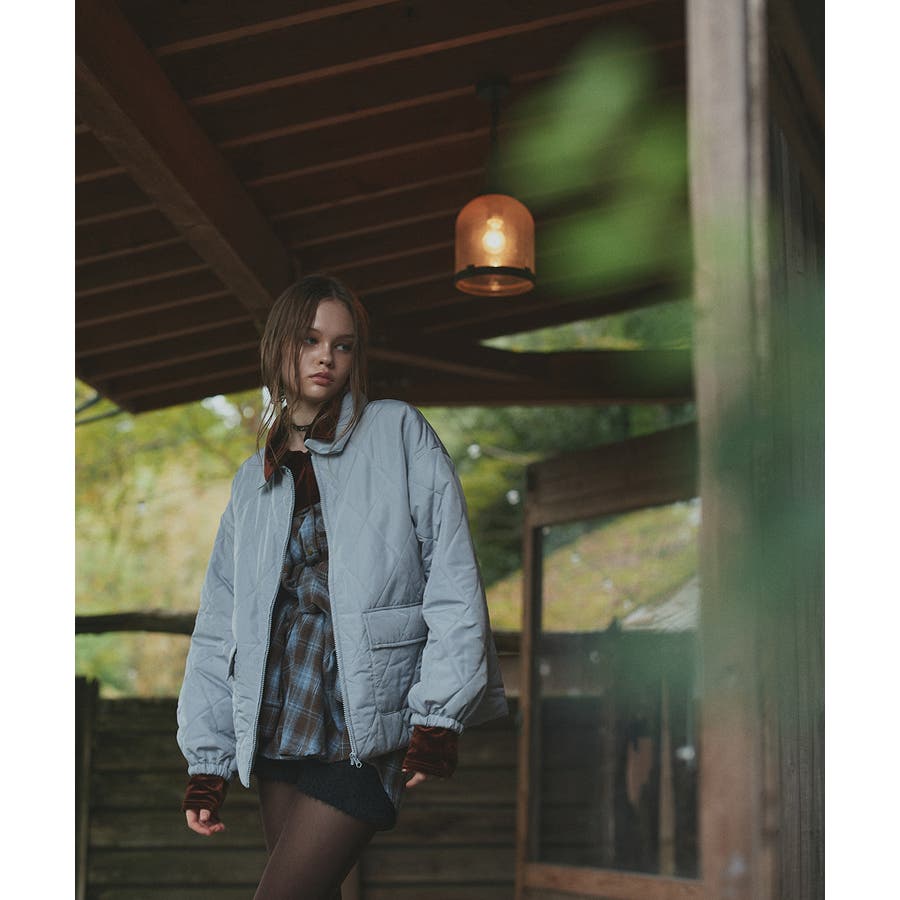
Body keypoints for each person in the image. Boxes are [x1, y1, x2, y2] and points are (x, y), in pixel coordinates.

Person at [176, 274, 508, 899]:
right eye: (309, 340)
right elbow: (221, 621)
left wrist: (438, 716)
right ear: (279, 346)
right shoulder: (253, 480)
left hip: (364, 718)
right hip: (280, 715)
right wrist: (208, 760)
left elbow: (452, 571)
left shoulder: (396, 431)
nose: (326, 356)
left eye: (343, 345)